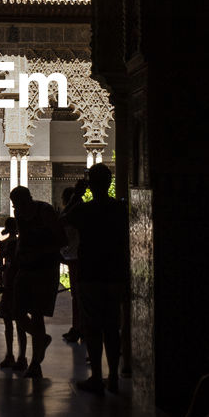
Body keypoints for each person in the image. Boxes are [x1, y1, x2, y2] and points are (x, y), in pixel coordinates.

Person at [63, 164, 128, 394]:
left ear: (90, 184)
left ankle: (97, 378)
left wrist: (77, 195)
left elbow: (61, 222)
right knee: (112, 326)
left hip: (90, 273)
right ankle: (113, 377)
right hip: (114, 274)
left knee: (92, 326)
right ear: (109, 183)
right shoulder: (120, 209)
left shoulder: (85, 210)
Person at [9, 185, 65, 378]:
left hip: (44, 270)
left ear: (28, 199)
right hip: (26, 268)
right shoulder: (20, 214)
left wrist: (41, 252)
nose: (17, 208)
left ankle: (35, 364)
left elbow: (61, 239)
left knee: (38, 314)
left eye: (19, 204)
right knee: (18, 312)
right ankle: (42, 339)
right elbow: (22, 239)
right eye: (15, 205)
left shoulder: (45, 211)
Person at [0, 217, 26, 370]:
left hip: (8, 287)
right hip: (16, 287)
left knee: (9, 325)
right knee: (20, 324)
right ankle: (21, 356)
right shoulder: (20, 244)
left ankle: (10, 354)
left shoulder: (5, 245)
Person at [59, 185, 82, 343]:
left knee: (78, 297)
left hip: (77, 259)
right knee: (78, 296)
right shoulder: (80, 212)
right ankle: (78, 327)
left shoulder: (73, 215)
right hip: (77, 258)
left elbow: (61, 222)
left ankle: (79, 328)